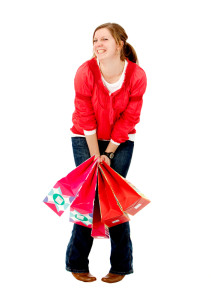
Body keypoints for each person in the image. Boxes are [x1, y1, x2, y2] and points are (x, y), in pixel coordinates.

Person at [65, 22, 147, 283]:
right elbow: (85, 115)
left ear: (119, 43)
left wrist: (108, 153)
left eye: (104, 39)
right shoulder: (85, 72)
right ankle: (76, 263)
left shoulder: (136, 75)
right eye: (95, 40)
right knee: (89, 198)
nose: (97, 45)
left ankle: (121, 266)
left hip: (120, 141)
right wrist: (94, 157)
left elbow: (130, 118)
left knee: (114, 200)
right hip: (84, 138)